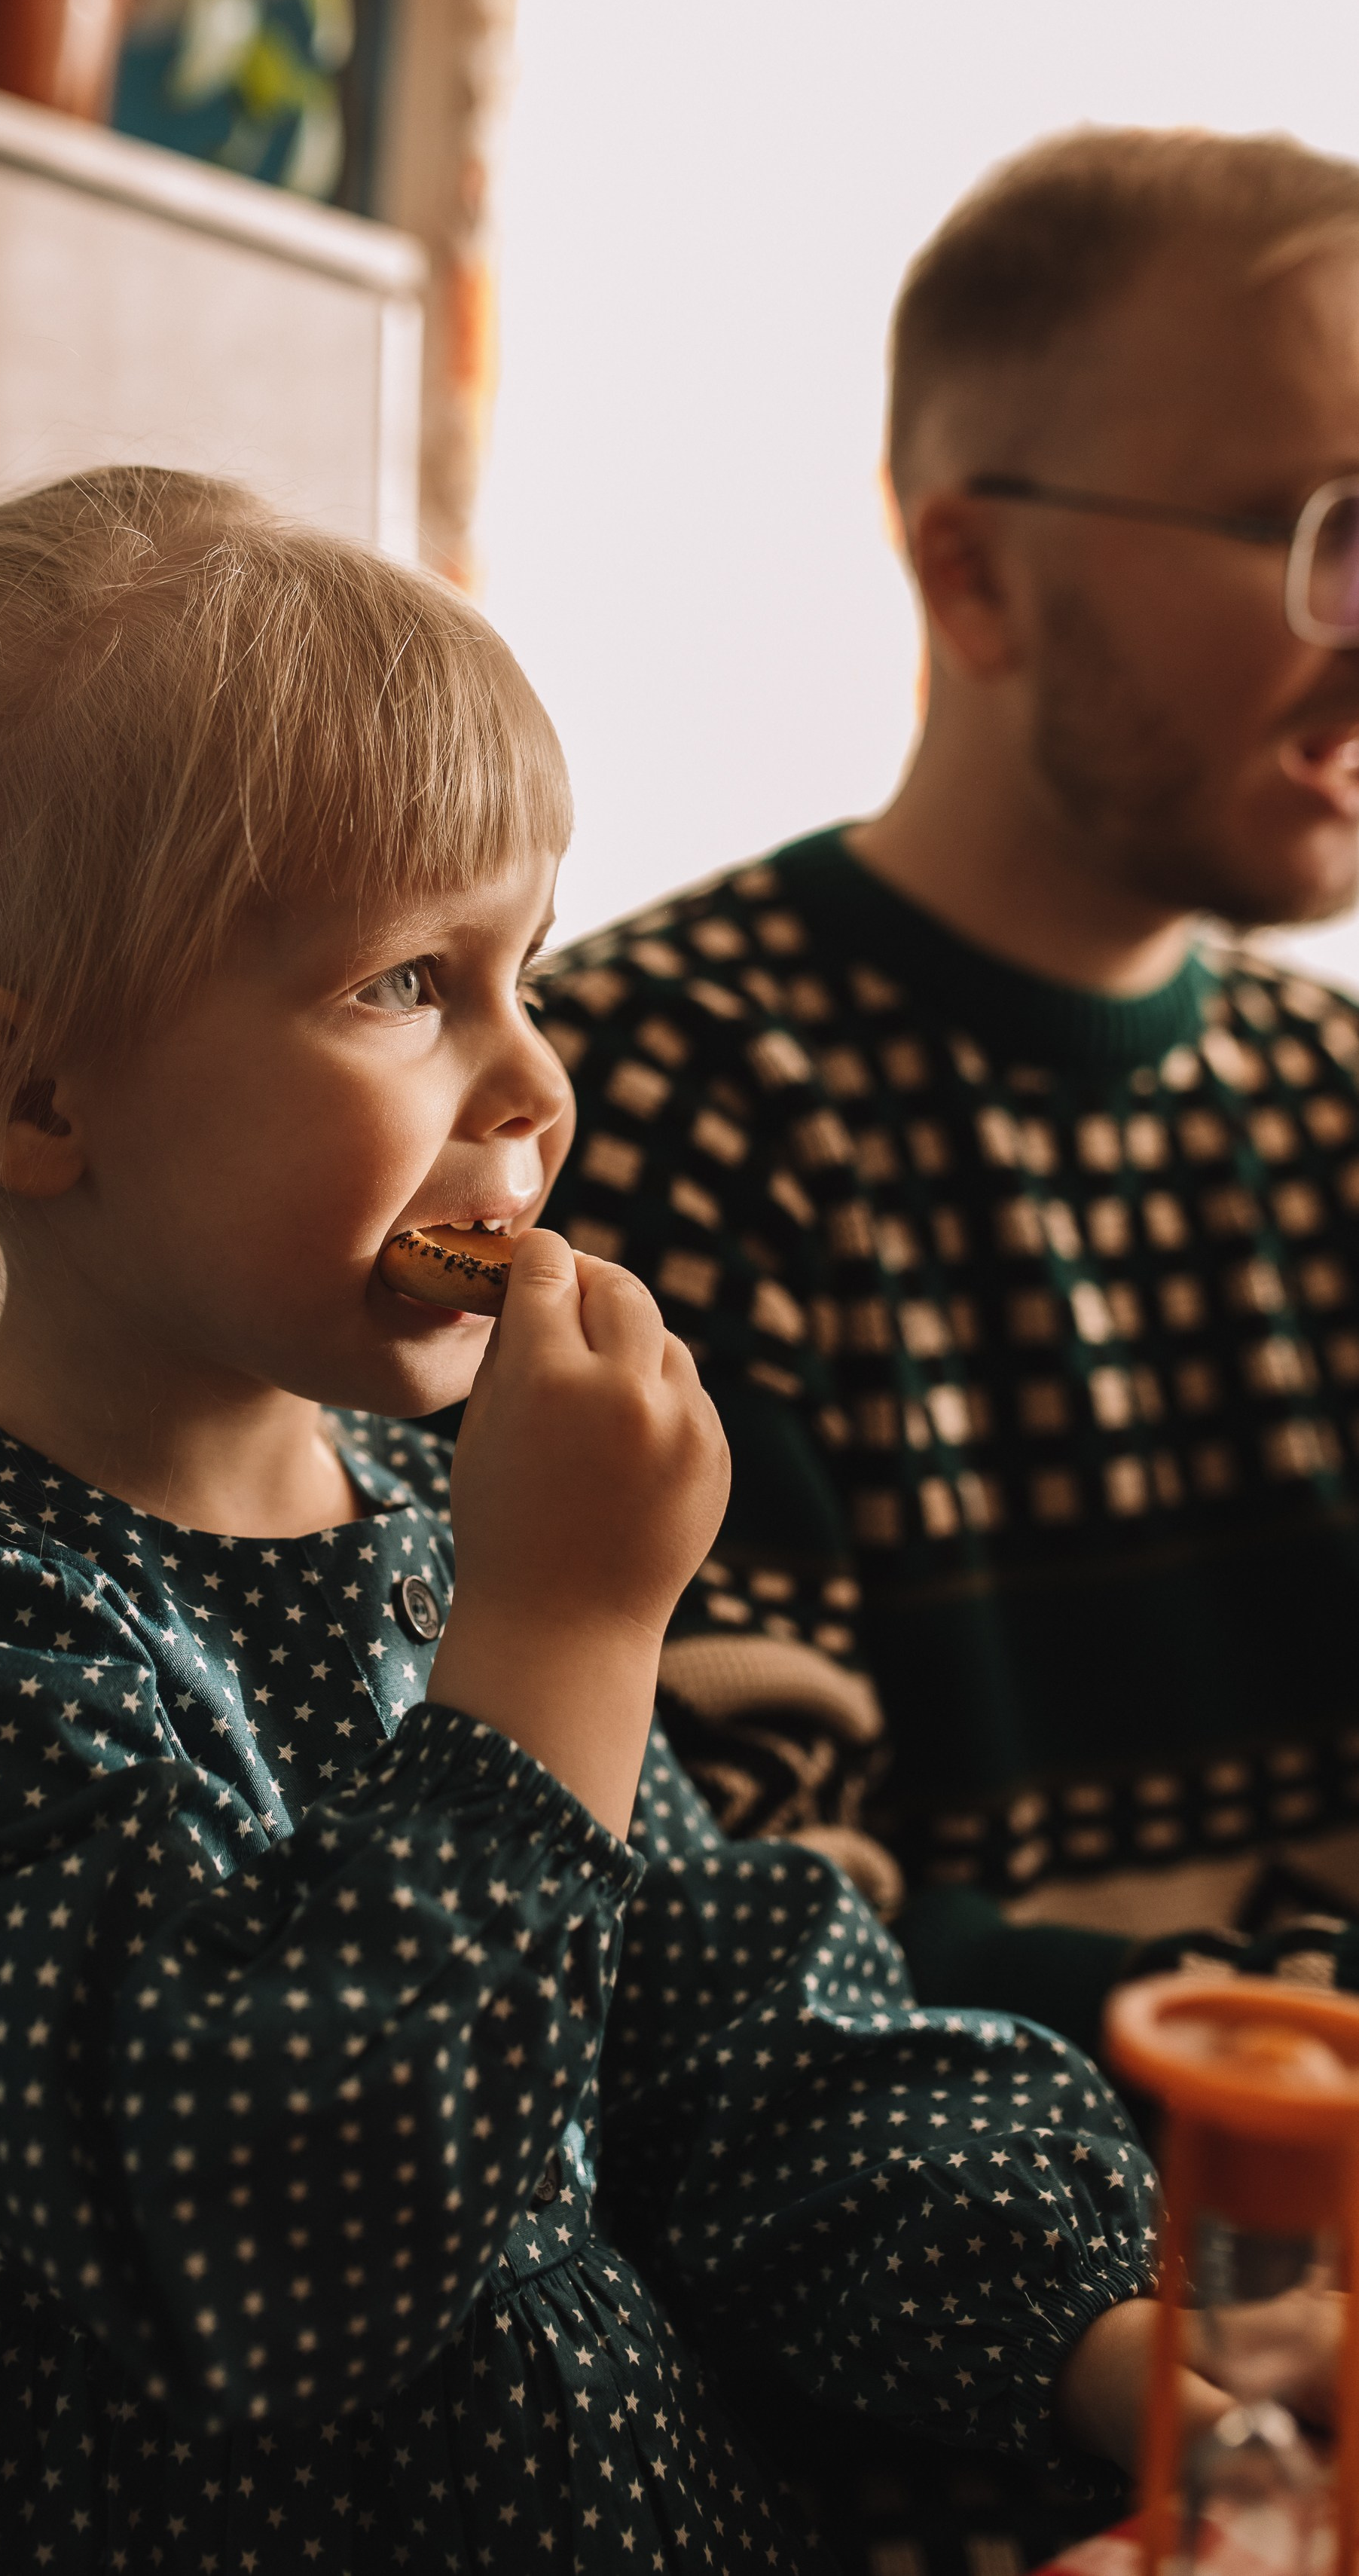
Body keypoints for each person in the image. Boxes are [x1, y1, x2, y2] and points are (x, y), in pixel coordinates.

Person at [0, 469, 1201, 2576]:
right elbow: (288, 2237)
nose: (532, 1077)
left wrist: (1123, 2347)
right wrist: (565, 1637)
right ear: (36, 1097)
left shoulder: (438, 1526)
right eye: (400, 984)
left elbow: (728, 2039)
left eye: (521, 959)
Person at [539, 127, 1359, 2057]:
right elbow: (732, 1927)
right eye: (1331, 532)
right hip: (973, 2316)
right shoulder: (655, 1094)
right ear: (974, 575)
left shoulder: (1336, 1103)